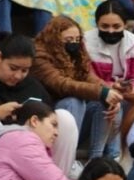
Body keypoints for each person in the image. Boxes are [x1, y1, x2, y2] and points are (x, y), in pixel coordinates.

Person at [0, 33, 77, 180]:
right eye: (13, 68)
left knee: (64, 118)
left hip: (26, 161)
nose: (18, 76)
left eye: (24, 70)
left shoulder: (33, 86)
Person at [32, 16, 123, 160]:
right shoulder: (39, 55)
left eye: (76, 39)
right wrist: (102, 92)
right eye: (68, 40)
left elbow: (88, 76)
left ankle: (99, 159)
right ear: (54, 38)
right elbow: (61, 84)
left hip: (77, 120)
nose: (73, 43)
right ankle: (68, 158)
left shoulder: (76, 53)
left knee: (109, 101)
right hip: (49, 116)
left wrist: (109, 92)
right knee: (73, 101)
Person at [84, 0, 134, 157]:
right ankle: (104, 156)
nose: (110, 31)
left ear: (125, 25)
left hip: (126, 98)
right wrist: (111, 88)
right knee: (110, 101)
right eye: (104, 26)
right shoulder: (85, 42)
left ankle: (117, 154)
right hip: (95, 99)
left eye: (116, 26)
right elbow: (87, 77)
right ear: (96, 24)